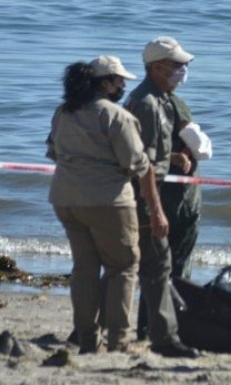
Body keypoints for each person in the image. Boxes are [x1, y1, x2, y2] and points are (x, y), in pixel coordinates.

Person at [46, 56, 163, 354]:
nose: (124, 84)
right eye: (119, 79)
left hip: (66, 197)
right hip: (108, 200)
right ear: (106, 82)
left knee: (84, 269)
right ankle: (119, 341)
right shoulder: (115, 116)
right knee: (123, 266)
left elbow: (53, 152)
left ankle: (87, 339)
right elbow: (138, 165)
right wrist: (155, 207)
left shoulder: (64, 112)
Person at [124, 36, 199, 358]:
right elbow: (141, 158)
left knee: (169, 265)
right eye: (177, 65)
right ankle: (158, 332)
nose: (183, 70)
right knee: (161, 268)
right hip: (160, 196)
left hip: (176, 195)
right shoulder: (146, 102)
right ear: (157, 67)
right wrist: (156, 208)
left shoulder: (164, 98)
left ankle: (163, 328)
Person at [160, 92, 212, 279]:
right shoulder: (173, 103)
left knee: (155, 261)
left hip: (152, 192)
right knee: (179, 260)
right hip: (179, 195)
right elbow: (202, 147)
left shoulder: (137, 100)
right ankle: (175, 305)